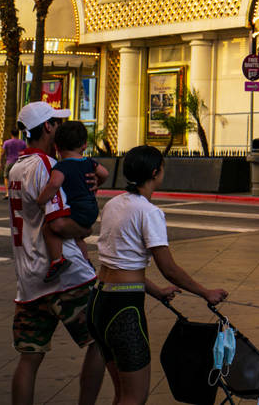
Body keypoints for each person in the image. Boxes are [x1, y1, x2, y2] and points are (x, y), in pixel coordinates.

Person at [89, 145, 227, 405]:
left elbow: (122, 264)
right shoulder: (149, 212)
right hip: (124, 311)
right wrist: (205, 292)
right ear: (155, 172)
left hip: (99, 303)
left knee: (121, 393)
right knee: (135, 396)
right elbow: (169, 269)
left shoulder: (114, 204)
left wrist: (158, 291)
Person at [7, 100, 105, 405]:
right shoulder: (48, 167)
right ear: (47, 127)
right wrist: (86, 230)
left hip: (30, 280)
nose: (60, 128)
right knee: (100, 340)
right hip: (66, 277)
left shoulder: (16, 168)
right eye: (57, 123)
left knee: (30, 358)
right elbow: (60, 224)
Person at [38, 121, 109, 281]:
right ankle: (86, 261)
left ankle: (57, 260)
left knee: (48, 229)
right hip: (91, 209)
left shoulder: (62, 167)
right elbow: (104, 173)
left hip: (75, 210)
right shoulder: (89, 163)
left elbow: (55, 183)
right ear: (84, 145)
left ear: (56, 146)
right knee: (78, 238)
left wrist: (41, 199)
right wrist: (98, 184)